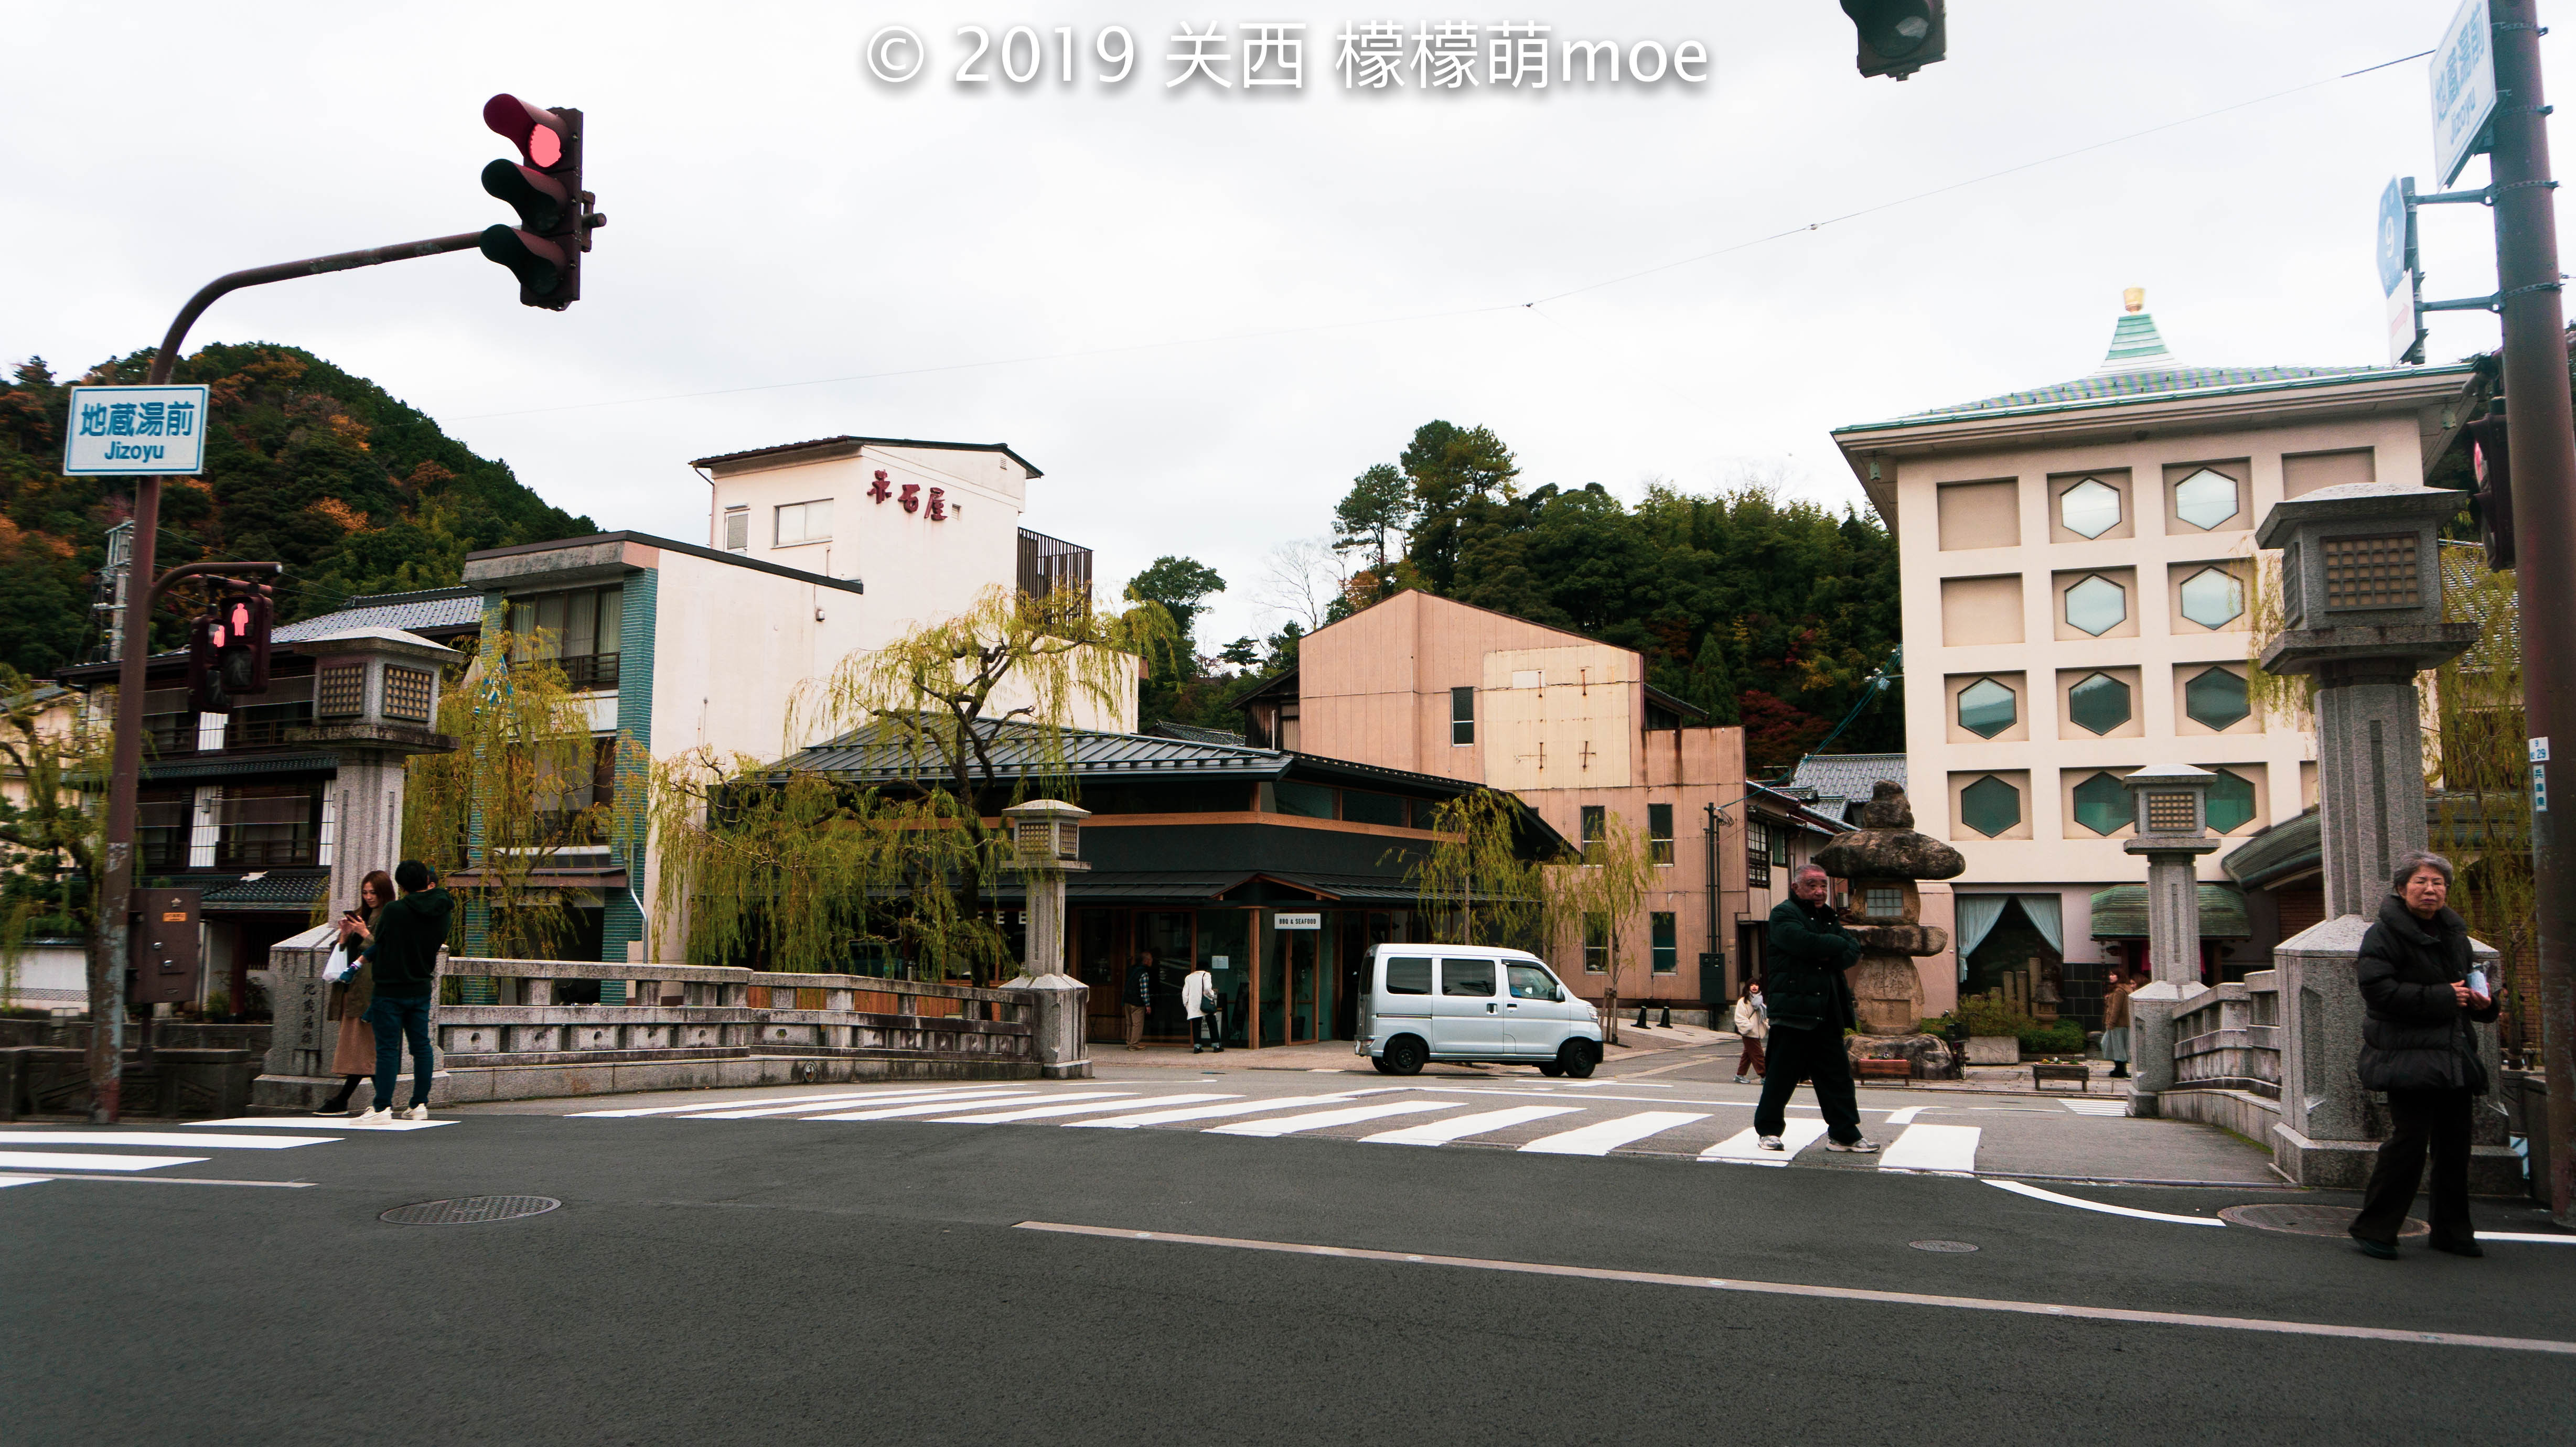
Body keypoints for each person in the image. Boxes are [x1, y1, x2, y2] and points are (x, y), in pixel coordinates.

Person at [2349, 850, 2499, 1260]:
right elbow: (2378, 993)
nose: (2430, 890)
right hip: (2407, 1055)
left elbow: (2467, 987)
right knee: (2408, 1144)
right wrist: (2442, 996)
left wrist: (2485, 1003)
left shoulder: (2454, 934)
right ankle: (2375, 1229)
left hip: (2453, 1053)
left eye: (2438, 883)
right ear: (2401, 889)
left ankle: (2452, 1232)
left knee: (2456, 1146)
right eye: (2421, 882)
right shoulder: (2382, 935)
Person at [1755, 863, 1876, 1153]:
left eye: (1823, 884)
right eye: (1812, 885)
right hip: (1793, 1011)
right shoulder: (1783, 914)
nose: (1820, 891)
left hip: (1827, 1010)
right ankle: (1768, 1131)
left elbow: (1852, 951)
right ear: (1796, 887)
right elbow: (1802, 942)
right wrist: (1831, 946)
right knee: (1781, 1076)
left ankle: (1844, 1135)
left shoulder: (1828, 918)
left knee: (1837, 1078)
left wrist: (1825, 950)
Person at [357, 860, 453, 1122]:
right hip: (421, 984)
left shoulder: (394, 910)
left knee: (388, 1048)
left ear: (401, 885)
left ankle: (382, 1107)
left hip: (390, 986)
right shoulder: (444, 909)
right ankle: (419, 1104)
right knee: (421, 1046)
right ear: (426, 880)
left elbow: (383, 943)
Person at [314, 870, 395, 1116]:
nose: (369, 897)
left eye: (374, 892)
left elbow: (389, 951)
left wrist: (365, 934)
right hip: (354, 989)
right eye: (365, 892)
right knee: (361, 1048)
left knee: (366, 1048)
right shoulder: (361, 916)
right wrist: (344, 935)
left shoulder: (390, 916)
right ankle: (357, 1101)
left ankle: (354, 1101)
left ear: (384, 893)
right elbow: (345, 954)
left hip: (374, 990)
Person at [2101, 966, 2134, 1081]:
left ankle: (2120, 1070)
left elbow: (2116, 1009)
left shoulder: (2119, 991)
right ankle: (2120, 1069)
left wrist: (2111, 1023)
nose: (2110, 977)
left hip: (2117, 1024)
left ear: (2119, 977)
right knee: (2117, 1046)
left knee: (2117, 1046)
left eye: (2113, 975)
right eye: (2110, 975)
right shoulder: (2125, 989)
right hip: (2123, 1023)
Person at [1183, 959, 1223, 1054]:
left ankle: (1197, 1047)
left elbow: (1185, 994)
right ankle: (1216, 1045)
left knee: (1196, 1025)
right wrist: (1212, 995)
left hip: (1194, 1005)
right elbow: (1207, 988)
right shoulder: (1207, 975)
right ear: (1206, 969)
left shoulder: (1189, 977)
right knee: (1212, 1024)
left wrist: (1187, 1005)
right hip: (1205, 1003)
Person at [1732, 981, 1768, 1084]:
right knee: (1758, 1055)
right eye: (1752, 985)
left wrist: (1767, 1024)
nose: (1754, 987)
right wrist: (1748, 1027)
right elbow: (1739, 1016)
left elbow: (1764, 1015)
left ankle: (1740, 1075)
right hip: (1749, 1032)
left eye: (1756, 985)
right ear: (1748, 987)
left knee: (1748, 1055)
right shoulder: (1743, 1001)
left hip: (1757, 1031)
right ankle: (1764, 1075)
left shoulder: (1760, 1000)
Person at [1122, 948, 1156, 1051]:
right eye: (1151, 960)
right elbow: (1144, 991)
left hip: (1127, 1000)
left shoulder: (1132, 969)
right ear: (1146, 961)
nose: (1152, 961)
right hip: (1137, 1002)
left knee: (1129, 1023)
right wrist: (1148, 1005)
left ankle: (1129, 1042)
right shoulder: (1144, 973)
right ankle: (1134, 1044)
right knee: (1137, 1023)